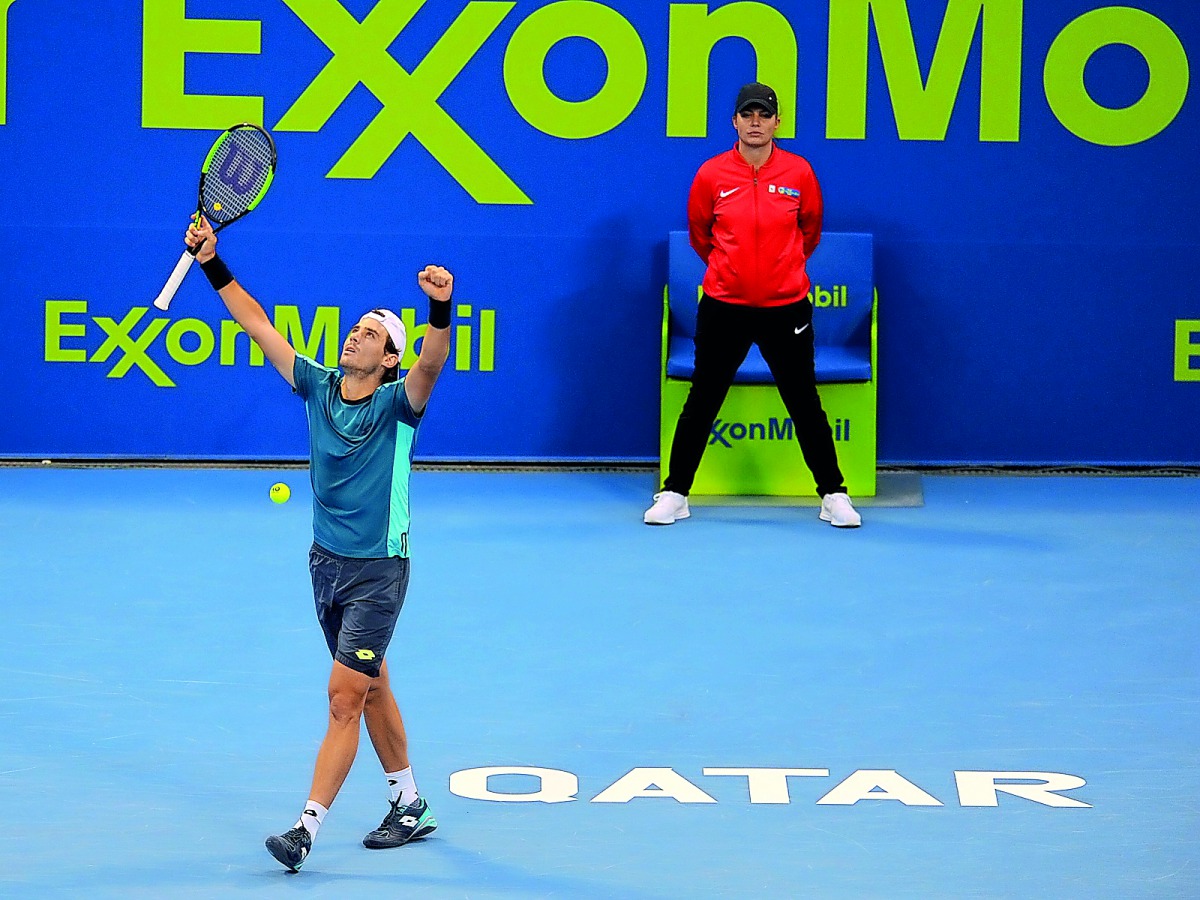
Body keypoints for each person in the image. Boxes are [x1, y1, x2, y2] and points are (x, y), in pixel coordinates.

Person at [183, 217, 452, 871]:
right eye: (355, 329)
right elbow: (257, 325)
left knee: (343, 697)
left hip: (378, 571)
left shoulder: (399, 404)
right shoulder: (317, 386)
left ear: (388, 359)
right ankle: (409, 802)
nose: (355, 337)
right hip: (325, 564)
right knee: (372, 685)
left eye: (371, 335)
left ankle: (304, 830)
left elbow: (432, 361)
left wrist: (440, 308)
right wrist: (212, 262)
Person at [645, 82, 861, 529]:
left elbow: (810, 231)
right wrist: (733, 272)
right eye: (748, 114)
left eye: (764, 114)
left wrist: (780, 272)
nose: (756, 122)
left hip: (787, 308)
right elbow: (701, 235)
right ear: (735, 122)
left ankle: (833, 494)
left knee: (804, 402)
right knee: (702, 401)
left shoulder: (799, 172)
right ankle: (675, 492)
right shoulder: (711, 174)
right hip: (724, 307)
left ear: (778, 122)